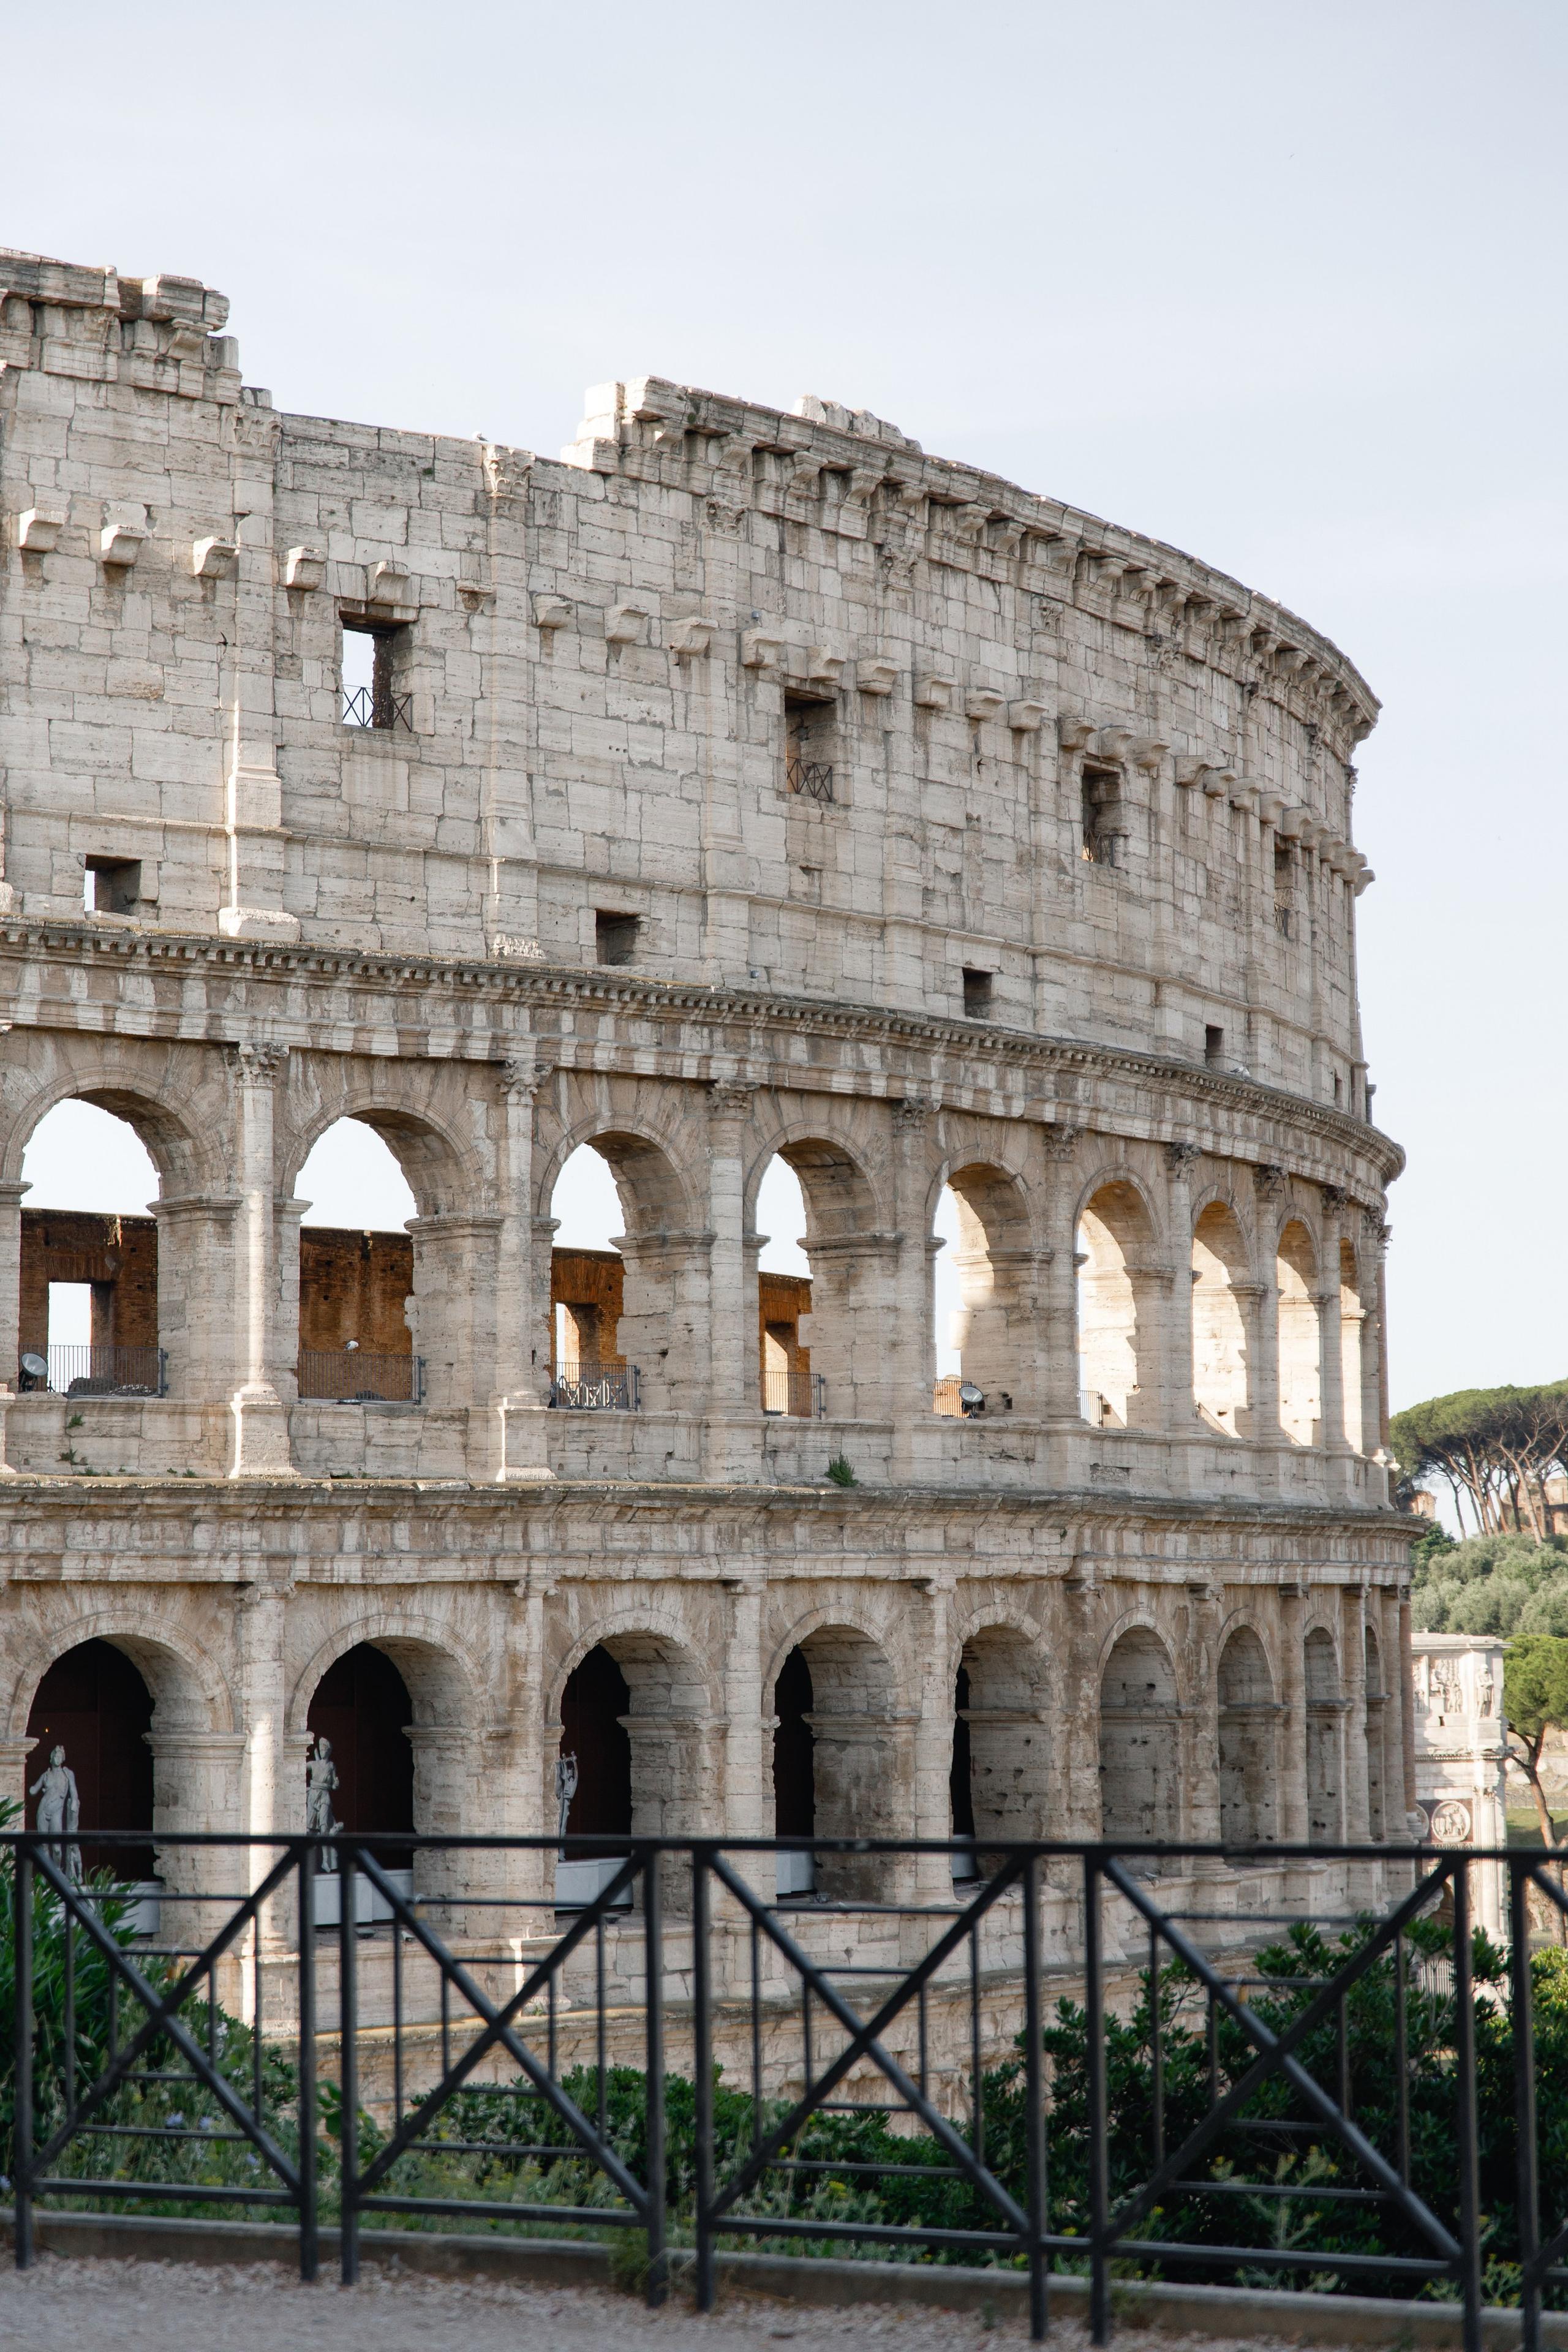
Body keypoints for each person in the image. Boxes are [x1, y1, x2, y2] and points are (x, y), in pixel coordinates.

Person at [30, 1744, 81, 1882]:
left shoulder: (67, 1774)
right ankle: (46, 1874)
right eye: (55, 1757)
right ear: (51, 1758)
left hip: (56, 1812)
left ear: (63, 1759)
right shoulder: (46, 1775)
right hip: (43, 1810)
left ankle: (57, 1871)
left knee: (57, 1848)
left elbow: (73, 1789)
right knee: (44, 1846)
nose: (57, 1759)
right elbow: (34, 1790)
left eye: (60, 1757)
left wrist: (75, 1802)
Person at [306, 1734, 341, 1872]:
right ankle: (307, 1857)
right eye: (321, 1749)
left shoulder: (331, 1766)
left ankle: (325, 1861)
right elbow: (299, 1765)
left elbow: (333, 1785)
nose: (323, 1751)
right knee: (310, 1828)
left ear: (329, 1751)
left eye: (325, 1749)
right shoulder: (314, 1764)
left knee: (324, 1827)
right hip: (314, 1795)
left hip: (325, 1796)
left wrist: (336, 1784)